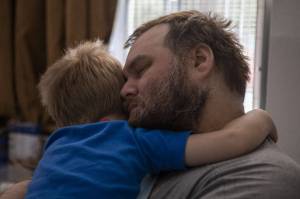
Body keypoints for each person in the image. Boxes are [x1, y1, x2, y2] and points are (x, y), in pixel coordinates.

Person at [2, 40, 275, 199]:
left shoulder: (57, 143)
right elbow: (232, 139)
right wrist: (261, 117)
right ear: (124, 100)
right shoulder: (134, 140)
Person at [120, 10, 300, 198]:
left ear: (199, 61)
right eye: (124, 80)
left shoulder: (262, 178)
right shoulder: (145, 155)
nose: (124, 91)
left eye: (140, 70)